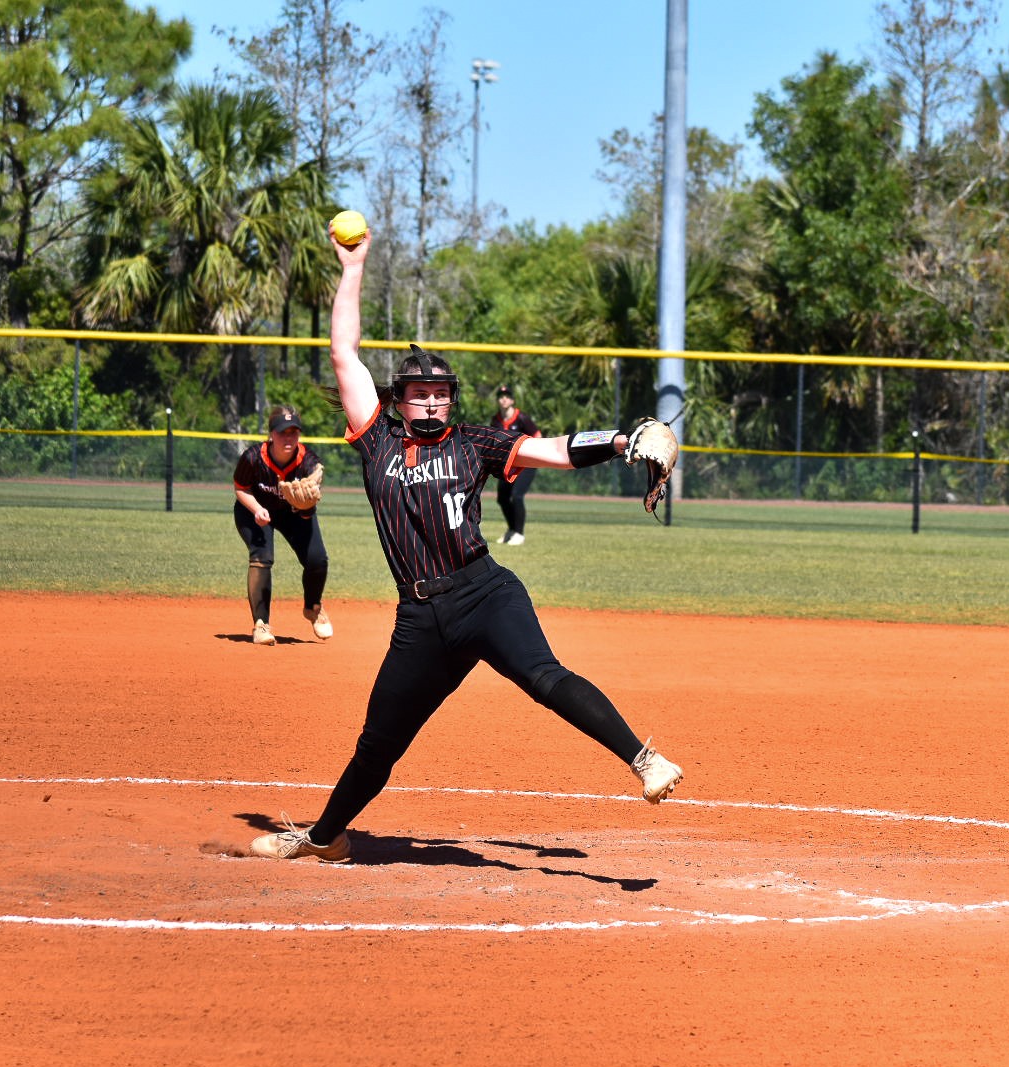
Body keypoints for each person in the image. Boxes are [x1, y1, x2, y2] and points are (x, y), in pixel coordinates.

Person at [249, 224, 684, 862]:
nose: (430, 403)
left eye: (441, 394)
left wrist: (621, 441)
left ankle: (645, 760)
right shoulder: (374, 440)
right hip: (421, 619)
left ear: (452, 401)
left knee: (543, 676)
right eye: (419, 395)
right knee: (379, 743)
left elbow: (553, 449)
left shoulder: (472, 442)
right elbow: (345, 353)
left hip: (486, 594)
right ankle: (323, 837)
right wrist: (354, 266)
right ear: (397, 400)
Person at [232, 405, 332, 646]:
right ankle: (261, 625)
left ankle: (313, 607)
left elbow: (309, 504)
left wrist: (306, 505)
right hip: (255, 511)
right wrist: (256, 509)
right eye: (282, 432)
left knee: (317, 560)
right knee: (262, 557)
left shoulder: (308, 462)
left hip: (293, 514)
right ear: (271, 434)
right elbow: (240, 488)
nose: (288, 437)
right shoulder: (253, 457)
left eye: (293, 432)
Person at [489, 384, 540, 545]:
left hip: (526, 463)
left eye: (507, 396)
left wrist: (533, 454)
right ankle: (511, 530)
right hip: (507, 465)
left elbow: (537, 436)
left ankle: (519, 533)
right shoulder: (495, 420)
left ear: (512, 400)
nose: (503, 399)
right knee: (502, 498)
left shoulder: (521, 418)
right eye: (501, 396)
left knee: (517, 496)